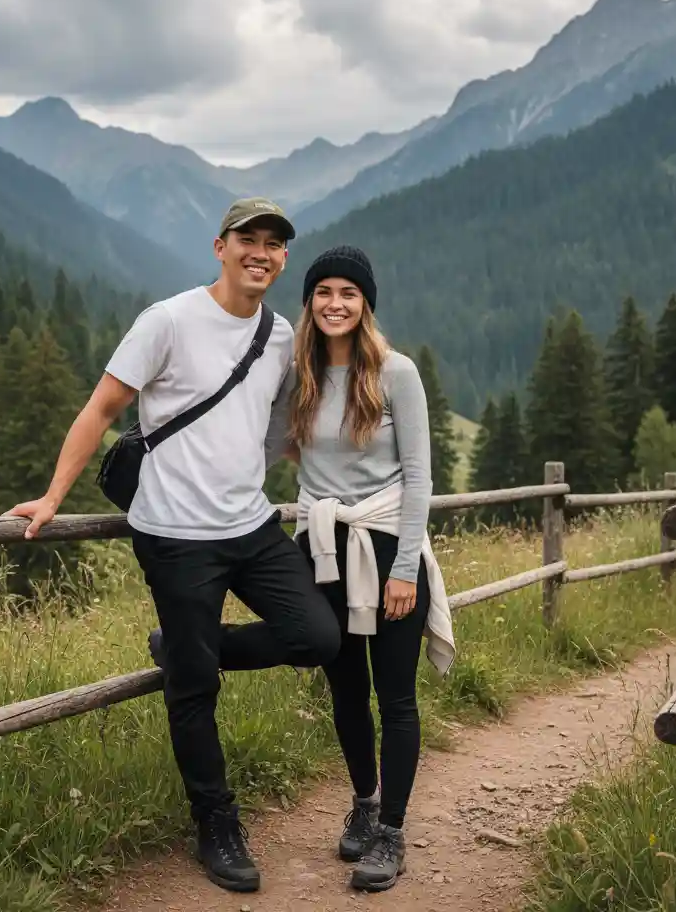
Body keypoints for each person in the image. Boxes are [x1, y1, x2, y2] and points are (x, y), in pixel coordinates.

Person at [4, 198, 341, 895]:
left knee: (317, 636)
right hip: (175, 537)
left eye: (275, 244)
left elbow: (284, 424)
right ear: (220, 246)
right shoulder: (167, 320)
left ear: (283, 259)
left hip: (250, 525)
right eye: (249, 238)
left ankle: (191, 645)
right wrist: (53, 496)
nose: (263, 252)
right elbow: (102, 409)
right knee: (194, 688)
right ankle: (216, 823)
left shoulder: (280, 335)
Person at [277, 245, 456, 892]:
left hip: (384, 547)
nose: (335, 303)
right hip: (322, 548)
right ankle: (364, 800)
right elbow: (274, 444)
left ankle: (392, 833)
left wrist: (405, 568)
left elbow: (419, 477)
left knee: (396, 696)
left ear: (366, 303)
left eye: (348, 293)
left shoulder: (397, 373)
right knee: (346, 690)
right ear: (309, 302)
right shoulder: (299, 376)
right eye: (323, 291)